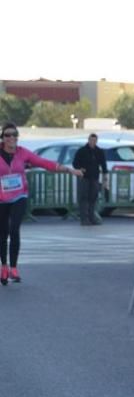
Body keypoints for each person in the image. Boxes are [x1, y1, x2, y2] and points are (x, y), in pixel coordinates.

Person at [0, 122, 83, 285]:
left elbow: (44, 163)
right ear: (2, 138)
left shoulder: (23, 153)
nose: (11, 138)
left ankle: (14, 268)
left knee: (14, 229)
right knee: (2, 234)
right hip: (1, 199)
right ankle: (4, 266)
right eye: (7, 135)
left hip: (19, 196)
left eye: (14, 135)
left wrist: (69, 170)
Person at [72, 133, 108, 226]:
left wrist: (105, 176)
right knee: (83, 198)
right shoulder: (82, 151)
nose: (93, 142)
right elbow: (75, 163)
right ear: (88, 140)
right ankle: (84, 219)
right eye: (91, 140)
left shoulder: (99, 151)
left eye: (94, 141)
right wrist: (80, 168)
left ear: (96, 141)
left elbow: (103, 164)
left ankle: (92, 218)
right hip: (84, 177)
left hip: (95, 177)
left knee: (93, 198)